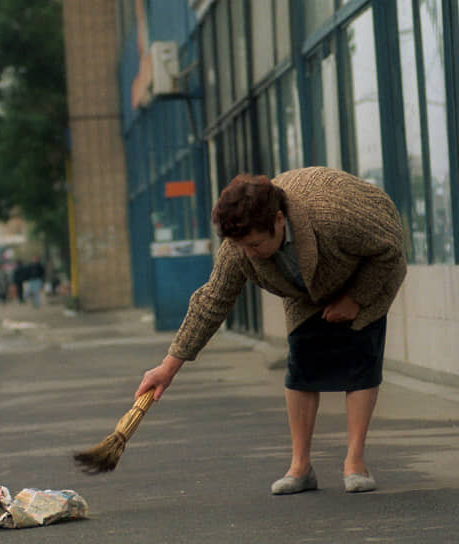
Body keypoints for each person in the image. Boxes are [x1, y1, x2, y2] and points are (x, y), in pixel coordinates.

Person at [136, 167, 406, 495]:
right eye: (242, 246)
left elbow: (390, 253)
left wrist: (355, 299)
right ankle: (300, 467)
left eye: (255, 244)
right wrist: (168, 367)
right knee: (301, 366)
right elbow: (212, 301)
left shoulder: (334, 216)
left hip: (362, 267)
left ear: (278, 221)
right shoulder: (239, 247)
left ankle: (355, 462)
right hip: (302, 286)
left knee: (360, 357)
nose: (249, 253)